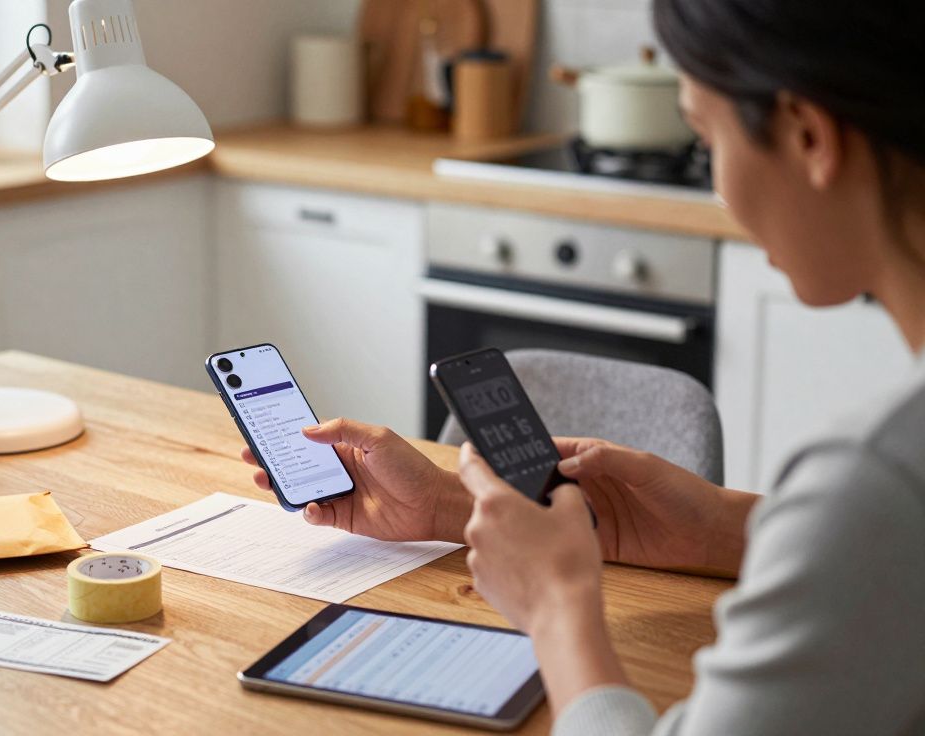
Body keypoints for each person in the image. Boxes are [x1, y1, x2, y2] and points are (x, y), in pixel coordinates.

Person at [240, 1, 925, 732]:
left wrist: (557, 608)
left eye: (704, 136)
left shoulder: (875, 479)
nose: (719, 191)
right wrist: (711, 530)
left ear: (809, 136)